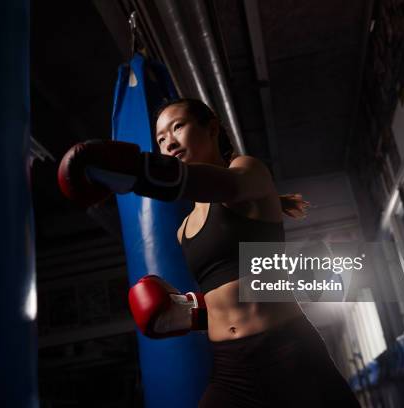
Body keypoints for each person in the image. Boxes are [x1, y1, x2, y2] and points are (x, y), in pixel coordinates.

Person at [58, 98, 360, 407]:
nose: (169, 142)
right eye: (161, 139)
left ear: (212, 128)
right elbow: (231, 287)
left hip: (286, 351)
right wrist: (190, 312)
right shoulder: (183, 229)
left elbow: (228, 186)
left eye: (178, 127)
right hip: (231, 368)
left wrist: (137, 170)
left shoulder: (245, 170)